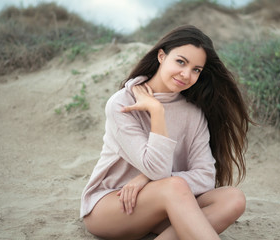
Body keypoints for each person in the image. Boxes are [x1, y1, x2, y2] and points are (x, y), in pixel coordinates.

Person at [80, 25, 252, 240]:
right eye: (181, 62)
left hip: (162, 206)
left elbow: (206, 177)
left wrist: (144, 180)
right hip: (112, 205)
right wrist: (156, 111)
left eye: (196, 69)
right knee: (174, 186)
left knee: (233, 198)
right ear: (162, 56)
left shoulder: (192, 113)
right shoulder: (122, 103)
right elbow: (158, 171)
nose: (186, 74)